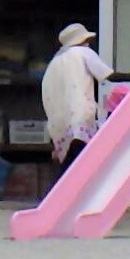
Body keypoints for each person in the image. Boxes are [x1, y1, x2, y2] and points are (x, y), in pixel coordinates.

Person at [40, 22, 115, 168]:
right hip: (81, 118)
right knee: (82, 164)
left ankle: (60, 190)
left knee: (70, 165)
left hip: (61, 124)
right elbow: (108, 75)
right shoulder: (83, 52)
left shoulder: (55, 61)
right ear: (82, 40)